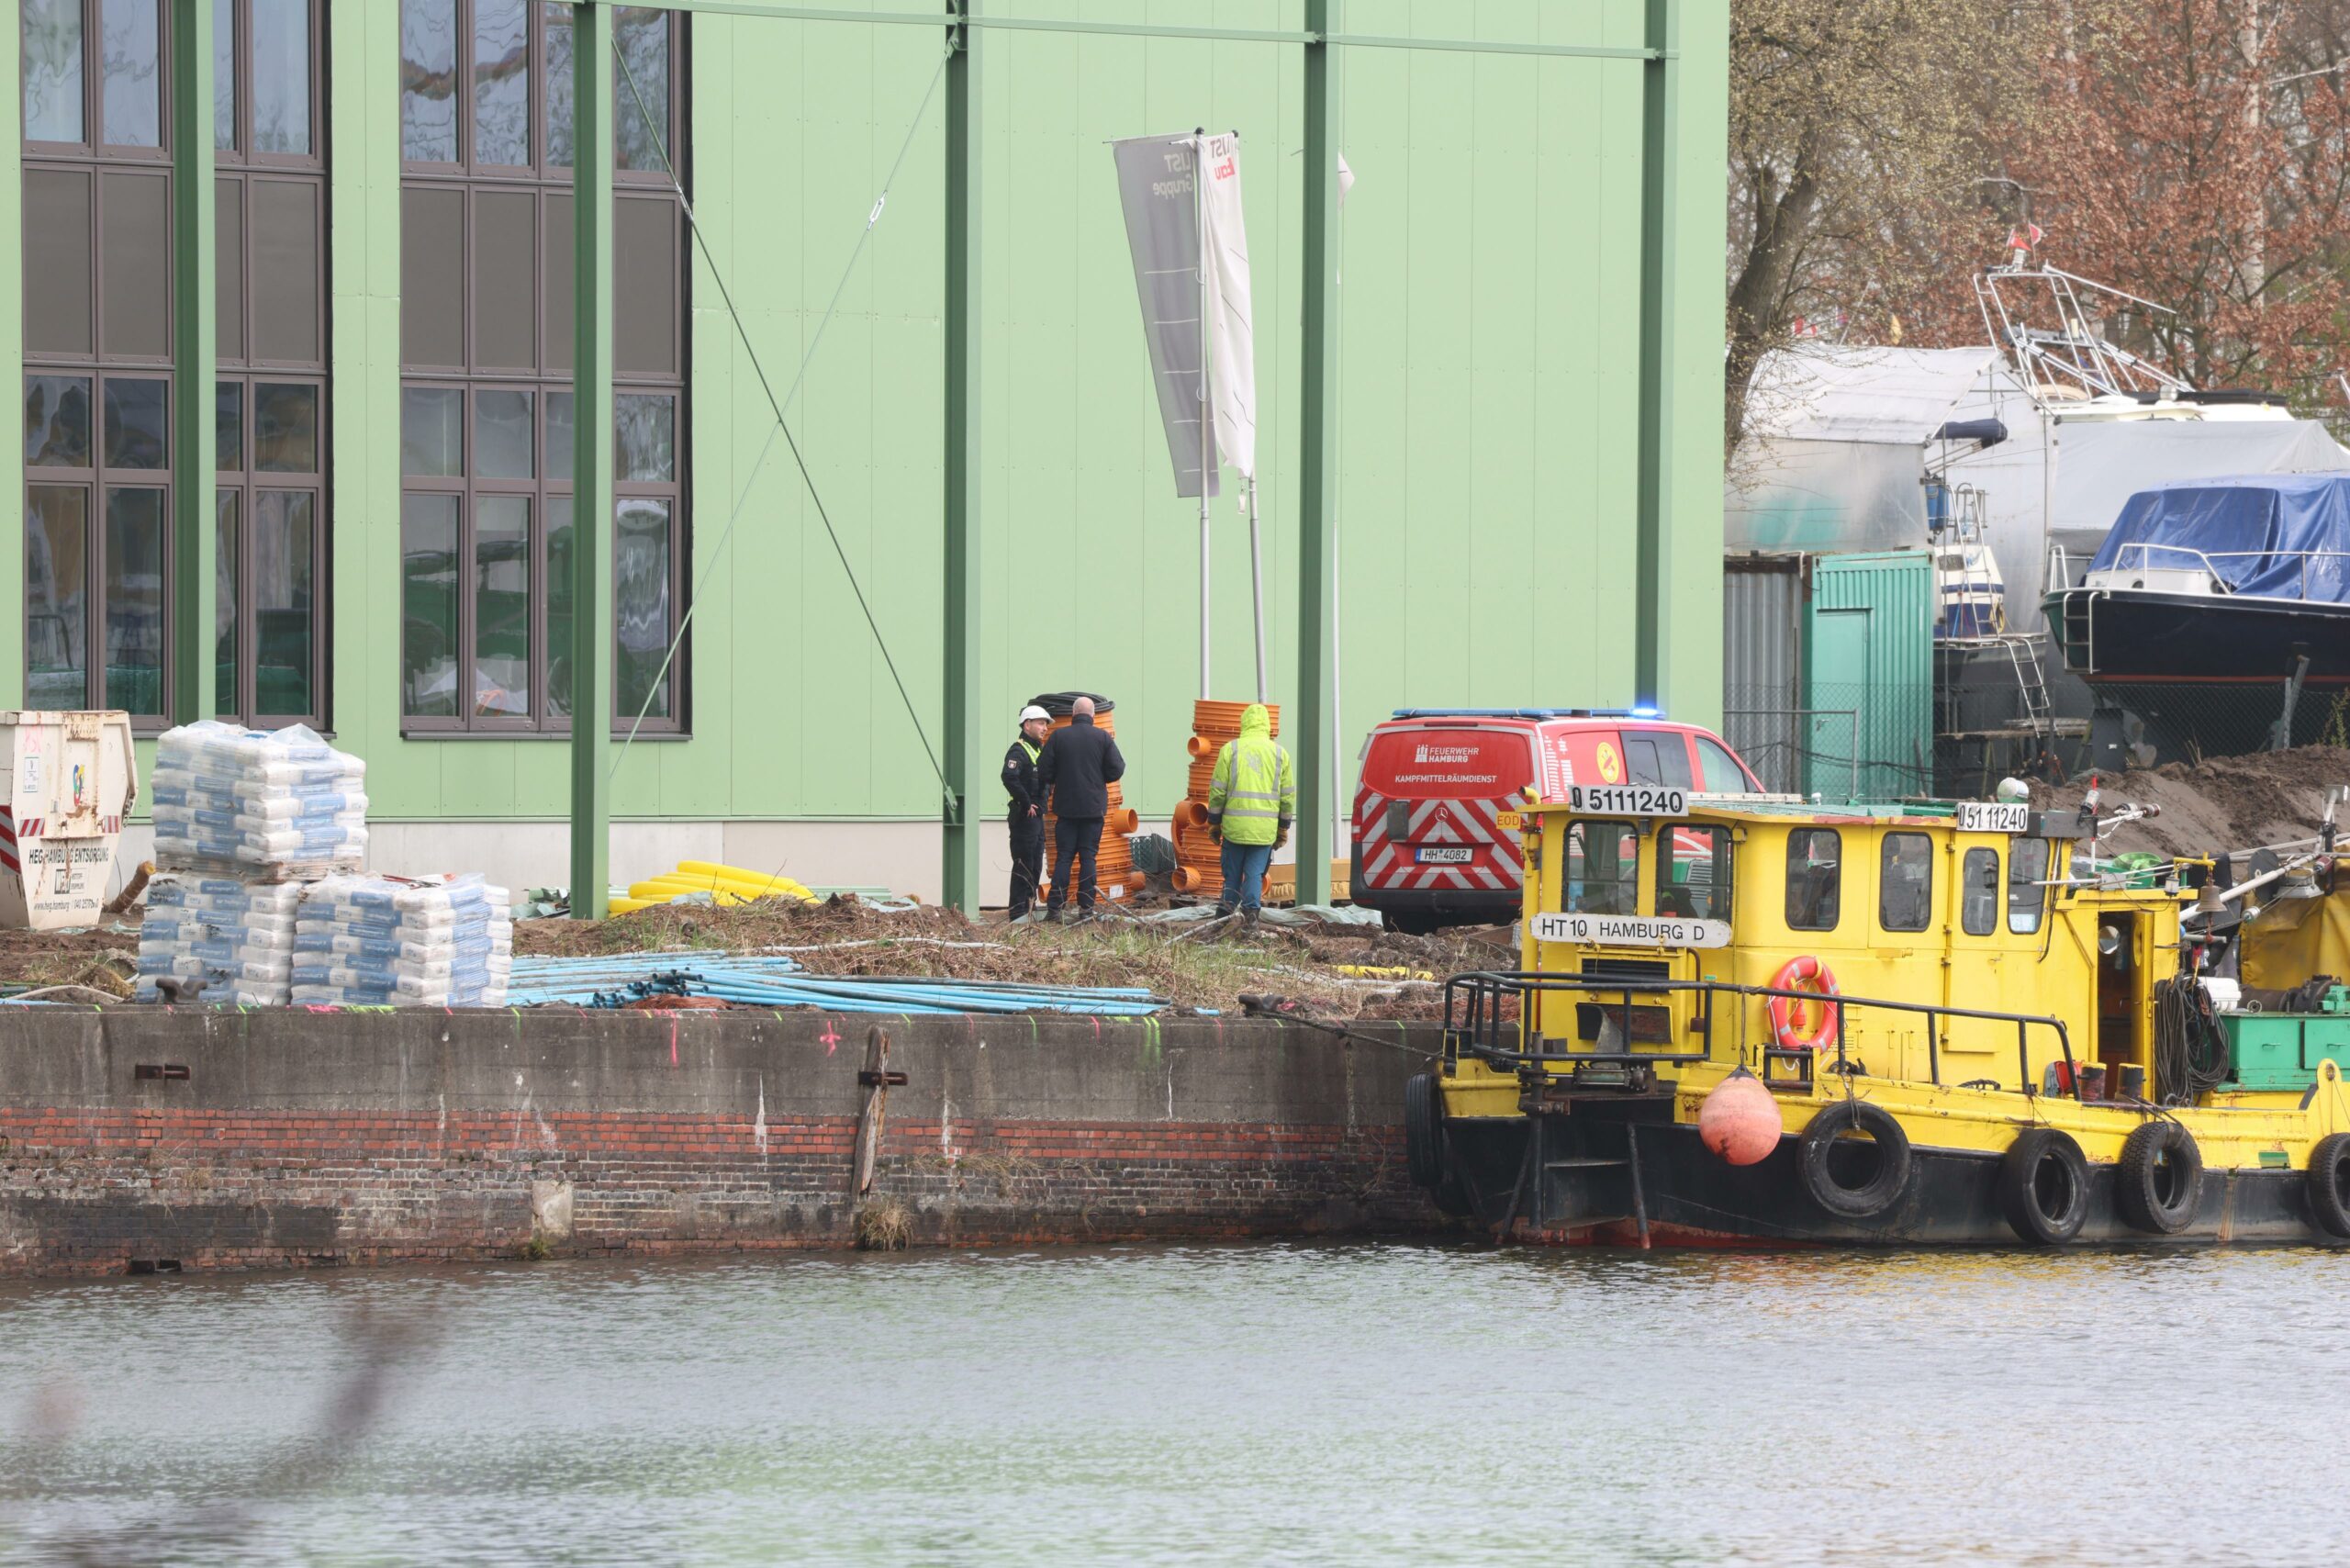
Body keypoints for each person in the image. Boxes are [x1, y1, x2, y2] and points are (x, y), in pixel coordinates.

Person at [1206, 701, 1295, 926]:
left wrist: (1214, 823)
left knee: (1232, 876)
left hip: (1235, 828)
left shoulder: (1231, 749)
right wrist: (1283, 828)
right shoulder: (1279, 754)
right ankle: (1251, 922)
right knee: (1255, 875)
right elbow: (1287, 796)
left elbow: (1217, 791)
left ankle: (1223, 919)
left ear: (1244, 723)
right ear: (1267, 725)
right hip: (1264, 830)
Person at [1037, 696, 1125, 923]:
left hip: (1066, 809)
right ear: (1093, 715)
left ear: (1074, 715)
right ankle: (1086, 909)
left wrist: (1061, 777)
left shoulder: (1058, 736)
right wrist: (1098, 779)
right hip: (1094, 809)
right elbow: (1117, 769)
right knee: (1089, 858)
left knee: (1064, 858)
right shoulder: (1103, 737)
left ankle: (1055, 909)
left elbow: (1044, 770)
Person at [1002, 704, 1051, 920]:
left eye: (1046, 724)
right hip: (1024, 817)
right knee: (1024, 863)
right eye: (1041, 723)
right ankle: (1018, 911)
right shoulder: (1018, 750)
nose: (1045, 728)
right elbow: (1009, 777)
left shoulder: (1039, 749)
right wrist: (1026, 802)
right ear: (1027, 724)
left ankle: (1030, 907)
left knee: (1036, 863)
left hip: (1037, 817)